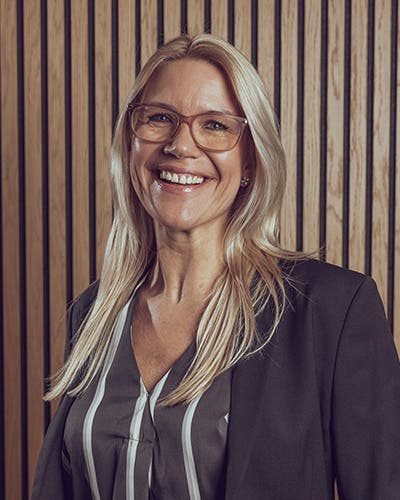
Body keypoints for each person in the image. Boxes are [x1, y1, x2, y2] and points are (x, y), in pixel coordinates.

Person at [32, 34, 400, 500]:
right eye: (160, 118)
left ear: (250, 159)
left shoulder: (330, 311)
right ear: (131, 143)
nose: (180, 145)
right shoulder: (94, 313)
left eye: (215, 125)